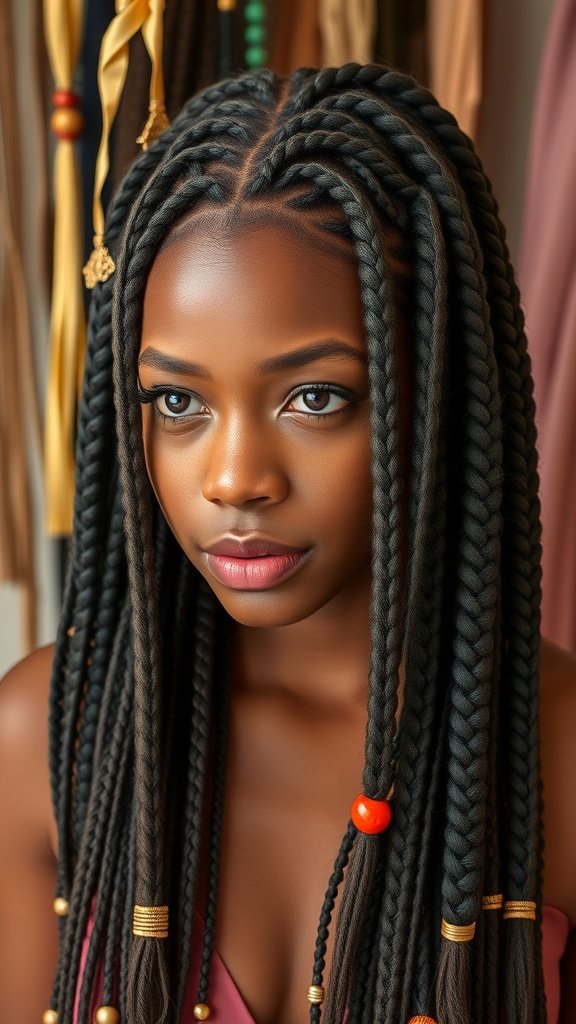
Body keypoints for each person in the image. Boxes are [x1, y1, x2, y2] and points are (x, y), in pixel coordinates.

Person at [0, 64, 575, 1024]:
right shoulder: (47, 739)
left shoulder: (552, 751)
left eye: (314, 398)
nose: (233, 478)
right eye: (177, 402)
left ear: (435, 394)